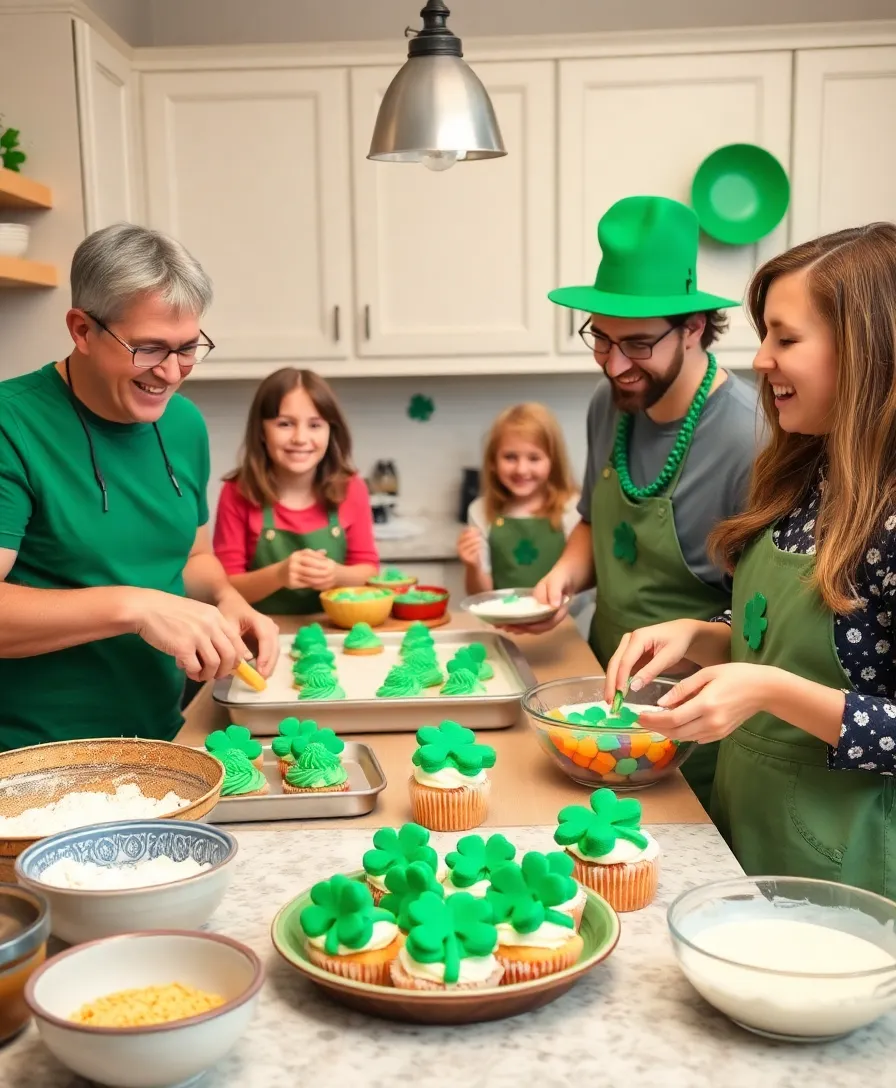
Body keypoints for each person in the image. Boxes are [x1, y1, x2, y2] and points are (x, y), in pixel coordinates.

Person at [604, 222, 896, 897]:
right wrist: (703, 636)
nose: (761, 360)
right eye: (765, 335)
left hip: (848, 875)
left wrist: (765, 690)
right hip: (745, 835)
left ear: (867, 352)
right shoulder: (802, 472)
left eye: (786, 339)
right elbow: (783, 634)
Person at [0, 223, 279, 752]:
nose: (172, 373)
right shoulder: (10, 425)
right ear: (81, 330)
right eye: (149, 348)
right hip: (35, 759)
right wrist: (136, 608)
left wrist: (226, 599)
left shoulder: (184, 424)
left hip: (162, 739)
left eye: (188, 347)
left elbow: (193, 557)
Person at [530, 195, 760, 811]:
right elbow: (592, 520)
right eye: (599, 340)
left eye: (635, 344)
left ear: (691, 327)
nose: (612, 364)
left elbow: (762, 619)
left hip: (694, 727)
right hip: (603, 701)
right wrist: (563, 576)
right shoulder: (608, 403)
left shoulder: (750, 438)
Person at [213, 367, 378, 614]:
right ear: (261, 431)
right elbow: (224, 588)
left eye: (315, 425)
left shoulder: (351, 488)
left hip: (334, 633)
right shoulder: (237, 492)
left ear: (331, 430)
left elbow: (368, 571)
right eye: (285, 424)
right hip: (259, 634)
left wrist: (335, 574)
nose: (300, 438)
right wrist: (279, 574)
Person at [457, 402, 580, 596]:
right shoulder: (479, 511)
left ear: (553, 462)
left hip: (563, 622)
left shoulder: (572, 507)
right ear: (492, 462)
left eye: (534, 458)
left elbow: (579, 583)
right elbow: (479, 594)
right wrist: (473, 566)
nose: (521, 469)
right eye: (510, 457)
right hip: (502, 624)